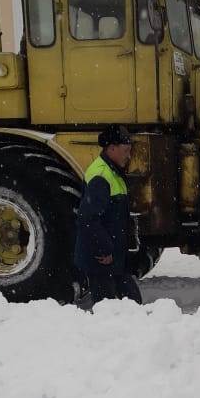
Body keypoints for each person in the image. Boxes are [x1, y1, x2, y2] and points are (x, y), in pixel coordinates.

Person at [74, 124, 142, 307]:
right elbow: (88, 218)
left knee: (133, 302)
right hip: (102, 260)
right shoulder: (101, 176)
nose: (129, 156)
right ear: (112, 148)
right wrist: (103, 250)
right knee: (108, 309)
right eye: (126, 151)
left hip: (114, 257)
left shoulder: (113, 171)